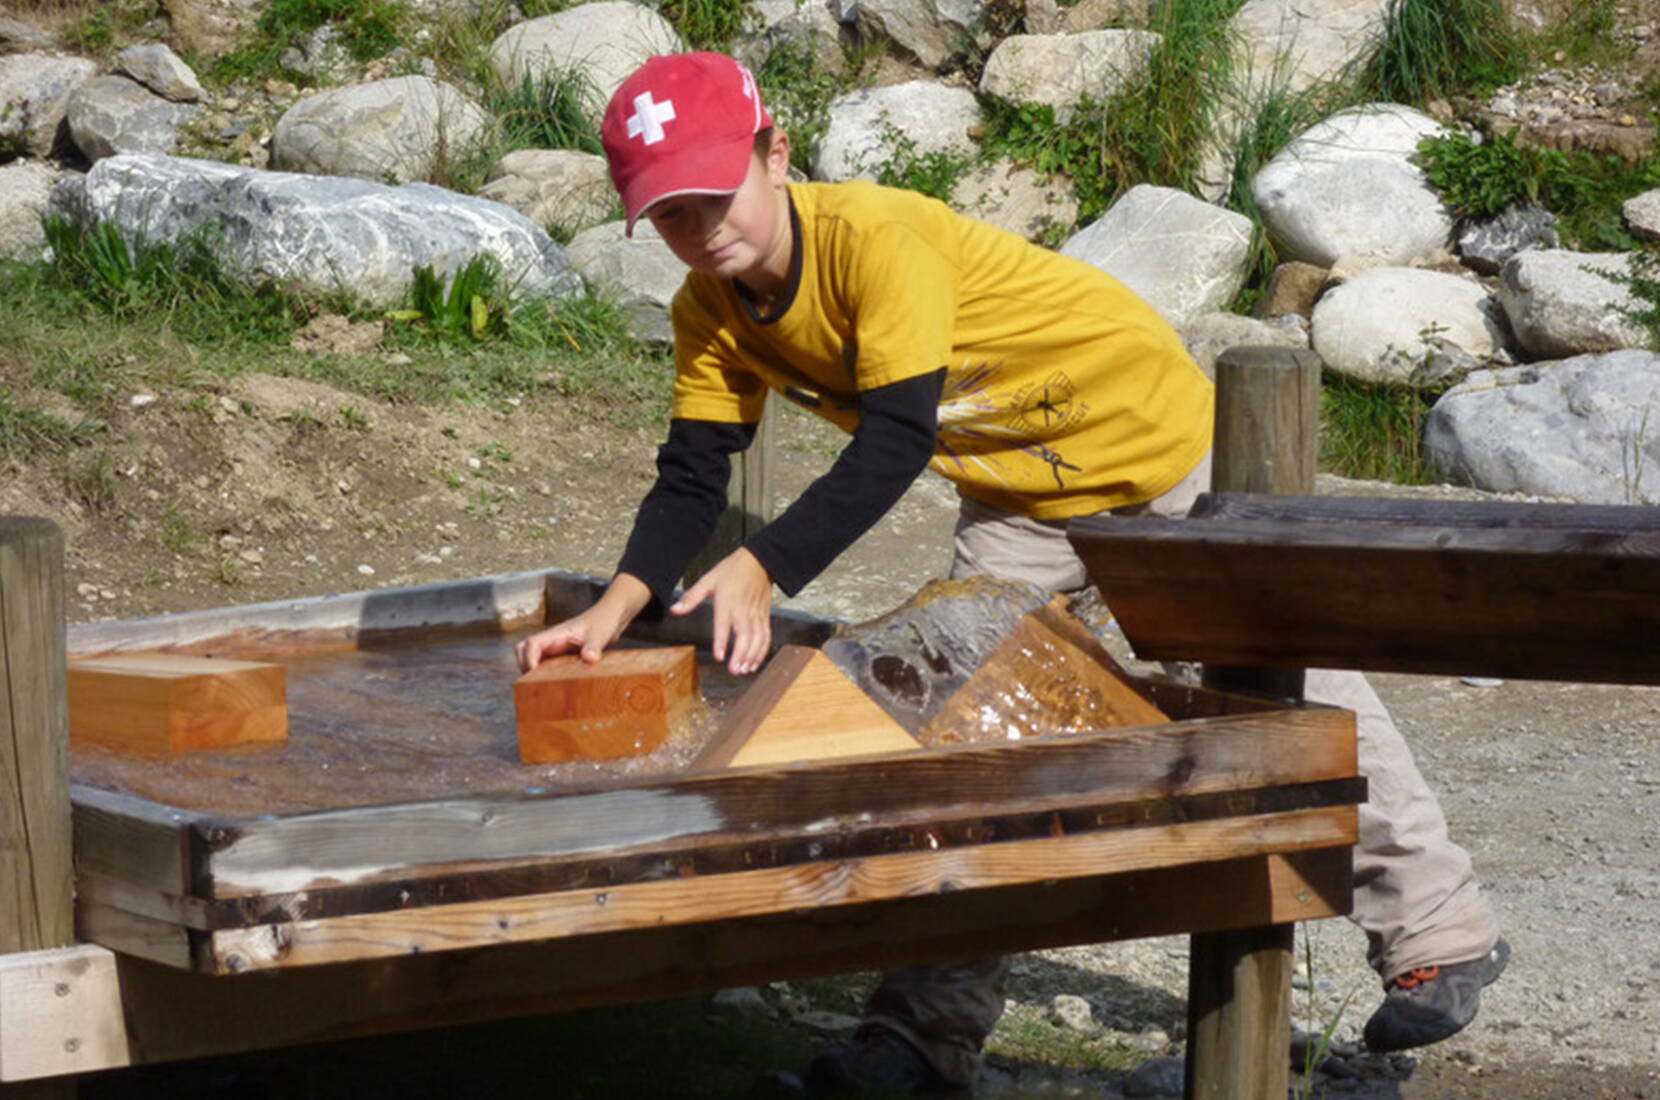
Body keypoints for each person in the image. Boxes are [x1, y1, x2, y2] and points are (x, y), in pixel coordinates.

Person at [514, 50, 1509, 1097]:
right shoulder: (707, 310)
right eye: (669, 214)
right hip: (1019, 491)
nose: (701, 228)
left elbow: (893, 442)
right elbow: (690, 472)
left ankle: (1439, 932)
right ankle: (922, 1033)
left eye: (715, 194)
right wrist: (620, 605)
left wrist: (761, 565)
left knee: (1290, 675)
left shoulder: (873, 240)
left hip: (1157, 441)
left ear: (776, 153)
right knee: (969, 722)